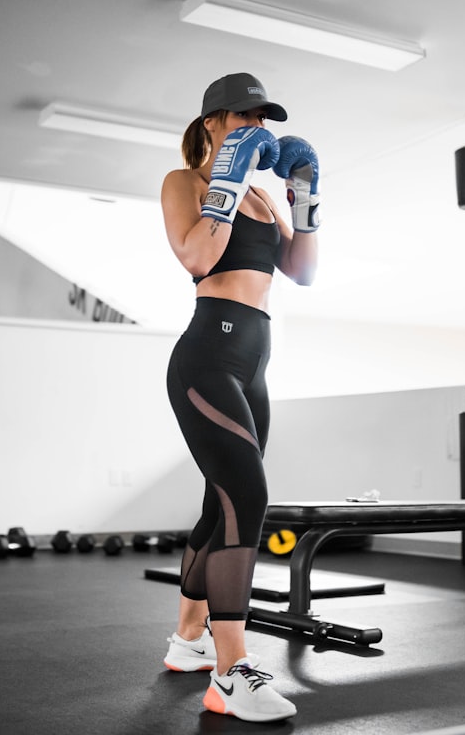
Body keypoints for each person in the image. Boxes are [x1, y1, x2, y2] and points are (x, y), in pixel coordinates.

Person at [160, 72, 320, 723]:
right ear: (210, 126)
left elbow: (303, 272)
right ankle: (230, 671)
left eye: (264, 118)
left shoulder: (262, 198)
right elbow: (198, 258)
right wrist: (223, 179)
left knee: (218, 503)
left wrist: (303, 196)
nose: (258, 126)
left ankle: (187, 640)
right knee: (247, 496)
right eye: (243, 117)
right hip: (207, 355)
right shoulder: (186, 184)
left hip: (256, 359)